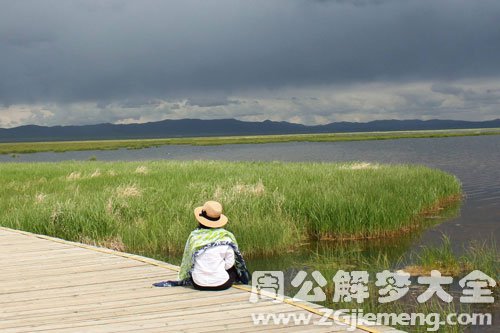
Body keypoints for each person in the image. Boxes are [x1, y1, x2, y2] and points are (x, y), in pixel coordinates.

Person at [153, 201, 250, 290]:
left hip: (198, 283)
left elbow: (189, 261)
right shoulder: (226, 237)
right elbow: (229, 263)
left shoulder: (194, 237)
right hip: (222, 284)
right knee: (233, 269)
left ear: (201, 220)